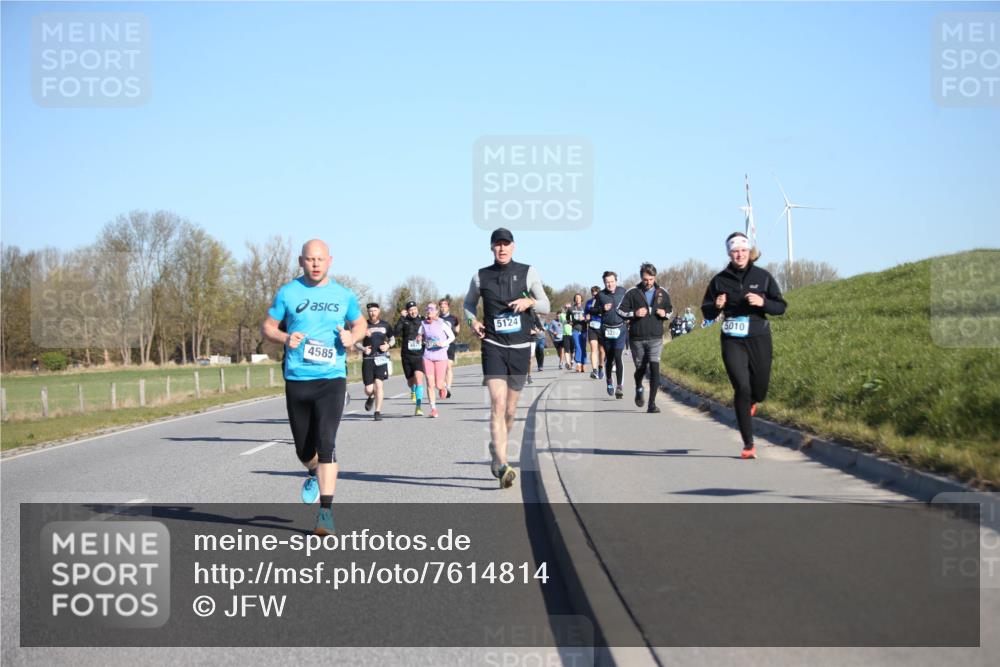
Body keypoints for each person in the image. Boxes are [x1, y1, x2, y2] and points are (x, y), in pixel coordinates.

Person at [261, 239, 366, 535]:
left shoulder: (343, 295)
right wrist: (284, 338)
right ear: (301, 261)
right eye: (310, 259)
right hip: (297, 379)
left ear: (330, 261)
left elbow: (360, 325)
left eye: (320, 259)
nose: (315, 264)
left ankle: (326, 513)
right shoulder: (288, 292)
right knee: (304, 450)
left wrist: (351, 337)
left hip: (332, 377)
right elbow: (267, 327)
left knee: (327, 443)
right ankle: (311, 471)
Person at [464, 227, 550, 488]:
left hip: (521, 347)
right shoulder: (480, 277)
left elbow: (546, 305)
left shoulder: (527, 272)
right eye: (497, 244)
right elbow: (468, 305)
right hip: (493, 345)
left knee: (511, 410)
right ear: (491, 248)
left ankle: (495, 448)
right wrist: (473, 322)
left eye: (506, 244)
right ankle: (502, 464)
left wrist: (530, 303)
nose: (502, 249)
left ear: (513, 247)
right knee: (498, 405)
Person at [700, 232, 787, 459]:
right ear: (729, 253)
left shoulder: (763, 276)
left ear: (749, 252)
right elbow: (707, 310)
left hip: (759, 336)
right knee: (742, 387)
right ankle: (748, 444)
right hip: (732, 339)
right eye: (735, 251)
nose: (739, 255)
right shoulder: (719, 280)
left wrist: (763, 302)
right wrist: (716, 305)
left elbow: (781, 307)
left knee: (759, 389)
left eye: (743, 251)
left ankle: (751, 403)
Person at [618, 263, 672, 413]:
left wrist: (664, 314)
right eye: (645, 279)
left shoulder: (662, 292)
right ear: (641, 277)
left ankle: (652, 404)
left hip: (656, 337)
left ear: (655, 277)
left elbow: (670, 310)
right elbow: (620, 311)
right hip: (637, 338)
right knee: (640, 369)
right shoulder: (632, 293)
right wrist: (634, 313)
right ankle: (639, 387)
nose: (648, 282)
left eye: (651, 279)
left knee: (655, 369)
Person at [356, 302, 395, 421]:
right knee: (368, 389)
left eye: (374, 311)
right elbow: (355, 341)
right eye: (370, 311)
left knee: (379, 384)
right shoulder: (363, 326)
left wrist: (388, 345)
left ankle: (377, 412)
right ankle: (371, 396)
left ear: (379, 311)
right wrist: (363, 348)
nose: (372, 313)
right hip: (368, 359)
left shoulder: (386, 325)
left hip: (381, 358)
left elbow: (392, 339)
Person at [419, 302, 456, 418]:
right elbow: (420, 334)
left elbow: (452, 337)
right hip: (428, 355)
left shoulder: (442, 323)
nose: (429, 311)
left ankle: (443, 387)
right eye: (427, 309)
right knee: (430, 382)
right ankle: (433, 409)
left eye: (431, 309)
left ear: (436, 312)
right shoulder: (423, 324)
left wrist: (443, 343)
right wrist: (419, 337)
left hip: (440, 356)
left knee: (438, 384)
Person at [596, 271, 628, 398]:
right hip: (607, 330)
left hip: (621, 329)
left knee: (618, 356)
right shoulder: (600, 295)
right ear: (604, 283)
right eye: (607, 282)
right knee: (609, 358)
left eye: (612, 281)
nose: (610, 284)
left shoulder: (623, 292)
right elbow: (593, 310)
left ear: (616, 281)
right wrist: (602, 309)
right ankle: (609, 380)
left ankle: (619, 386)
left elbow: (629, 306)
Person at [395, 301, 427, 416]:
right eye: (410, 310)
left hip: (419, 355)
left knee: (419, 378)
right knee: (410, 381)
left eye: (414, 309)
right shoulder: (404, 321)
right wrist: (401, 318)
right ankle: (412, 390)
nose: (413, 311)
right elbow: (396, 332)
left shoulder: (423, 320)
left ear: (417, 309)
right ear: (407, 311)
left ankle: (418, 407)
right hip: (406, 355)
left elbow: (430, 333)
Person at [439, 298, 460, 398]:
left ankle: (448, 388)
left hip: (450, 344)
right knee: (441, 367)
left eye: (444, 307)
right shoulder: (437, 318)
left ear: (448, 307)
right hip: (440, 345)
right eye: (441, 307)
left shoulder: (454, 318)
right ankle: (442, 385)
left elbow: (457, 329)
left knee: (448, 366)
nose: (443, 309)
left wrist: (453, 333)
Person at [585, 285, 605, 379]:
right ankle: (594, 371)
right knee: (593, 349)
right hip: (592, 327)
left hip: (602, 327)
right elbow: (586, 314)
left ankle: (601, 366)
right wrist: (586, 317)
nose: (594, 295)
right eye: (593, 293)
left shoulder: (603, 302)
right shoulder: (588, 303)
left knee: (602, 350)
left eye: (596, 294)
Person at [568, 293, 588, 372]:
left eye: (579, 298)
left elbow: (588, 317)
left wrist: (584, 318)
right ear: (574, 299)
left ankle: (584, 364)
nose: (577, 299)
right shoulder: (571, 308)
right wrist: (569, 322)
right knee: (577, 346)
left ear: (581, 299)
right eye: (576, 298)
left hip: (583, 329)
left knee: (583, 347)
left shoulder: (585, 308)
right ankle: (578, 364)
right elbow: (567, 318)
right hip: (575, 330)